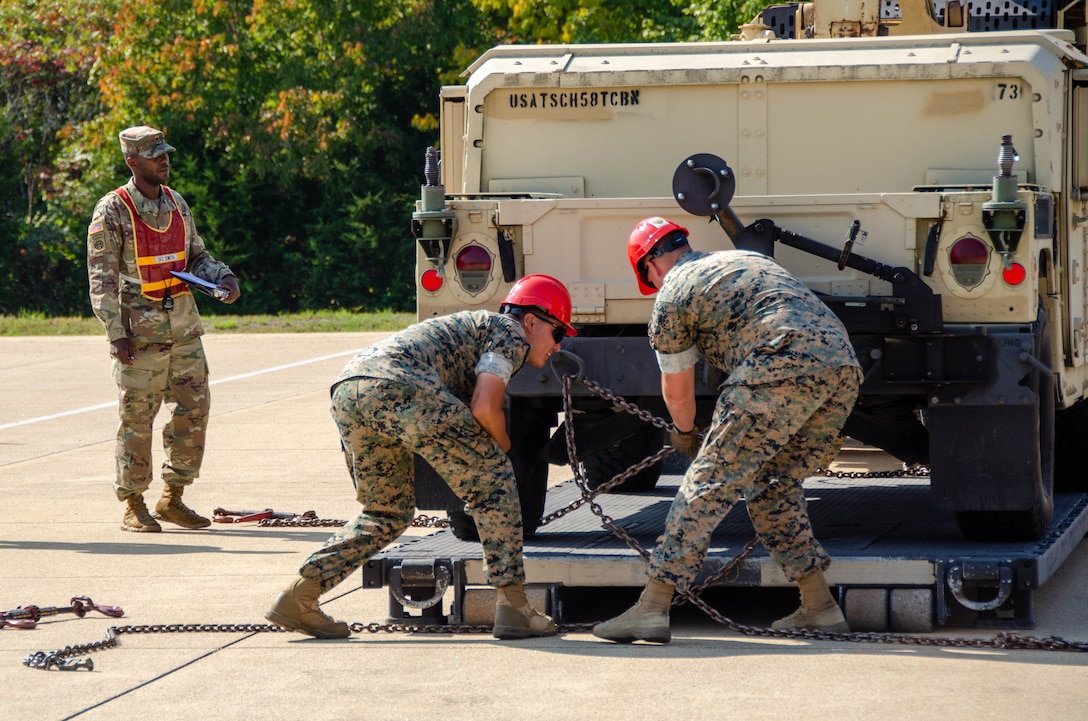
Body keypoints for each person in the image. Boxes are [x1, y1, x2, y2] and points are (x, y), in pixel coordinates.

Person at [593, 217, 862, 644]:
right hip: (842, 367)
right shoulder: (744, 259)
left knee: (707, 482)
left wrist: (684, 434)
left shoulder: (673, 294)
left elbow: (677, 393)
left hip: (777, 362)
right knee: (774, 485)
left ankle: (653, 607)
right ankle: (821, 607)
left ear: (651, 266)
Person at [266, 274, 576, 640]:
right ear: (532, 321)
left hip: (351, 388)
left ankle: (300, 595)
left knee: (386, 511)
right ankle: (514, 608)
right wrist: (503, 451)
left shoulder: (474, 326)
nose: (558, 346)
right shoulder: (509, 333)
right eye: (558, 333)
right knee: (495, 481)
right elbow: (485, 407)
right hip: (400, 385)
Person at [87, 125, 241, 533]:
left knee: (194, 411)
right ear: (132, 161)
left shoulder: (176, 203)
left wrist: (222, 278)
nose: (164, 159)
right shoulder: (113, 210)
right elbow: (101, 278)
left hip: (185, 328)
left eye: (165, 152)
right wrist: (115, 333)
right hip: (140, 332)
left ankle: (173, 498)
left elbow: (197, 255)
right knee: (137, 417)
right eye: (155, 155)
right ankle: (133, 503)